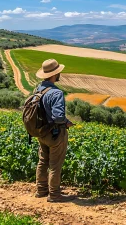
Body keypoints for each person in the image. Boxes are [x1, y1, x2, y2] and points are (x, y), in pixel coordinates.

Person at [34, 59, 75, 203]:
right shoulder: (56, 93)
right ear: (55, 74)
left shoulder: (38, 89)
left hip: (41, 132)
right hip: (55, 133)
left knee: (43, 161)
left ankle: (41, 190)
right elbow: (58, 117)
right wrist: (66, 123)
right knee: (55, 164)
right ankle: (54, 194)